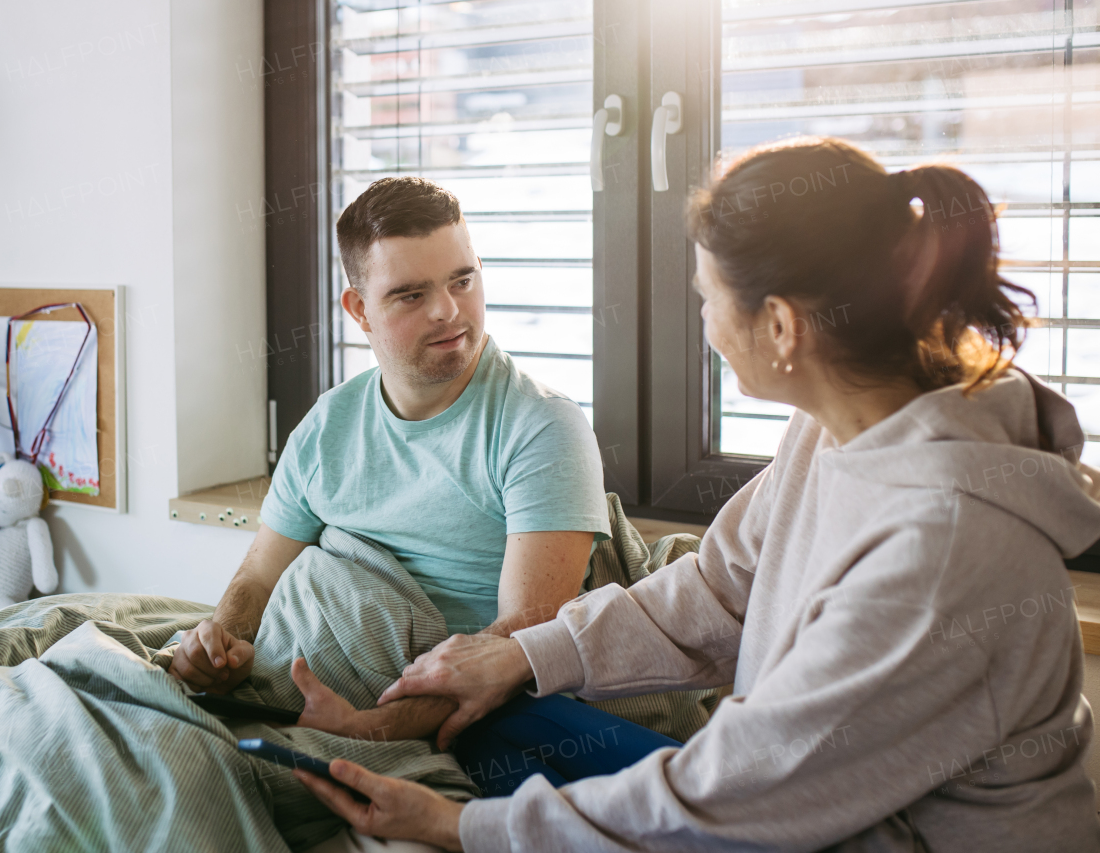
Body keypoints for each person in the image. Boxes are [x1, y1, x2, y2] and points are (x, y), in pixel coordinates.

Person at [292, 137, 1100, 852]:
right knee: (499, 718)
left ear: (780, 326)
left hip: (865, 831)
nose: (704, 320)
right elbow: (718, 588)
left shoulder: (943, 547)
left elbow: (740, 792)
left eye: (710, 298)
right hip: (794, 795)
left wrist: (455, 827)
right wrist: (520, 656)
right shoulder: (836, 426)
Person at [168, 176, 612, 742]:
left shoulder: (541, 427)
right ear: (359, 310)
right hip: (288, 688)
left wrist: (370, 729)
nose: (449, 311)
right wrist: (218, 645)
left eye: (463, 280)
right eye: (411, 294)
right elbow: (258, 577)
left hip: (441, 717)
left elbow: (522, 643)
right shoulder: (329, 424)